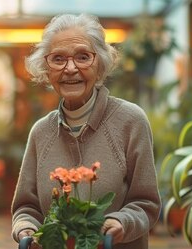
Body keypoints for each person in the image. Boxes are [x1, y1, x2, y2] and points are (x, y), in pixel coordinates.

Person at [11, 13, 161, 249]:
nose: (70, 69)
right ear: (46, 68)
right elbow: (26, 207)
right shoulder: (40, 133)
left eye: (83, 57)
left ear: (100, 64)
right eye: (58, 59)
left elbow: (146, 203)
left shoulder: (131, 121)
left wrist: (121, 222)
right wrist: (25, 228)